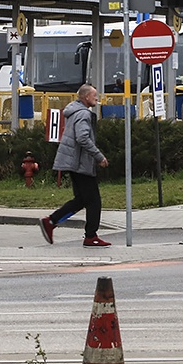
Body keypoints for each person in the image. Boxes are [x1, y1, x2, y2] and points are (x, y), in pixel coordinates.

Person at [39, 83, 111, 247]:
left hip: (74, 162)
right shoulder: (83, 114)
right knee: (94, 201)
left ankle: (51, 222)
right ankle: (90, 236)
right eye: (94, 96)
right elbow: (82, 138)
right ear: (86, 97)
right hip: (80, 163)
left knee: (82, 200)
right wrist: (99, 156)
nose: (97, 98)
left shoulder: (75, 111)